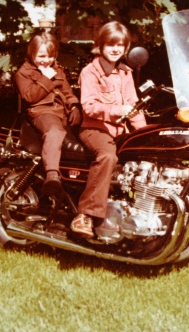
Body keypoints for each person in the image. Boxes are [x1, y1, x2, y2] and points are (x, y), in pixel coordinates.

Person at [71, 21, 147, 238]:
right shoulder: (90, 72)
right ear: (100, 45)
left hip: (118, 132)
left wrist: (143, 132)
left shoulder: (124, 73)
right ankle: (85, 215)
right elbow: (89, 106)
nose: (115, 49)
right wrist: (117, 111)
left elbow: (134, 105)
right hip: (95, 129)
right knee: (107, 157)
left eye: (120, 45)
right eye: (110, 44)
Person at [15, 32, 81, 196]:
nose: (46, 60)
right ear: (32, 54)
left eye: (51, 56)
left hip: (62, 112)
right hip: (42, 112)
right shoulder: (23, 73)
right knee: (54, 132)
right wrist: (45, 79)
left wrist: (74, 107)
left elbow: (67, 92)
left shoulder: (57, 69)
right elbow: (30, 96)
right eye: (42, 56)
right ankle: (52, 175)